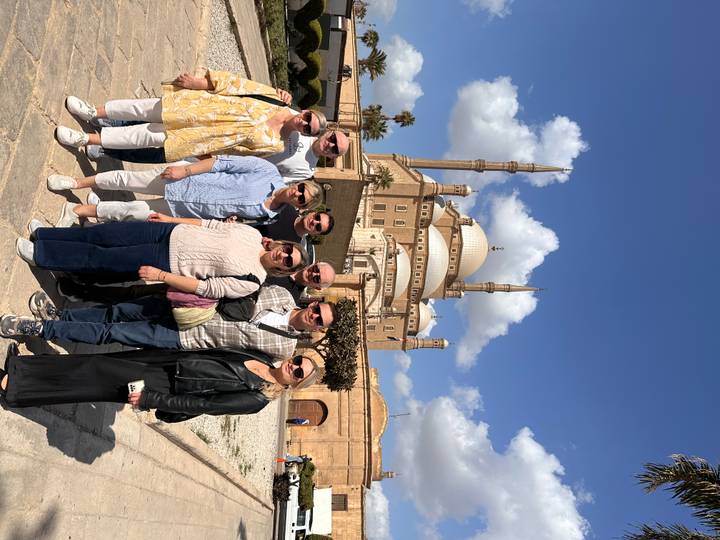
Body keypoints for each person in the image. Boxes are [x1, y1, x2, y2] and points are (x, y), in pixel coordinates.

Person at [0, 343, 319, 423]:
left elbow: (203, 406)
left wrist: (150, 399)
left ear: (295, 385)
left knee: (94, 374)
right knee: (94, 364)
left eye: (298, 373)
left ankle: (16, 389)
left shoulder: (257, 399)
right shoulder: (262, 360)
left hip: (165, 387)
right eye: (298, 361)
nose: (293, 367)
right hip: (167, 362)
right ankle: (23, 367)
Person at [55, 70, 327, 161]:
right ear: (305, 111)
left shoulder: (276, 145)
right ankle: (93, 111)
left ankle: (85, 138)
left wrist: (206, 156)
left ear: (305, 135)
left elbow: (238, 153)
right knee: (143, 108)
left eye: (308, 128)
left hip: (201, 137)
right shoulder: (275, 99)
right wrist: (199, 83)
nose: (303, 123)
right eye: (307, 118)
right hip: (199, 106)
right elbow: (237, 85)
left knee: (141, 136)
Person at [1, 288, 336, 361]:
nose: (315, 317)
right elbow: (241, 297)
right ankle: (62, 318)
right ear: (315, 304)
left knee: (113, 333)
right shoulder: (280, 293)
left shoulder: (285, 348)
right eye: (319, 311)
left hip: (187, 337)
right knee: (118, 312)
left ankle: (39, 329)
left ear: (316, 330)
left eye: (319, 322)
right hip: (189, 307)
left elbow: (238, 358)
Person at [15, 219, 310, 299]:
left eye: (287, 261)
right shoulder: (252, 235)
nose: (283, 256)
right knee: (103, 234)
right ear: (283, 244)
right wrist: (169, 219)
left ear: (284, 271)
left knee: (100, 258)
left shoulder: (252, 281)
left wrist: (162, 276)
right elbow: (209, 225)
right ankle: (46, 235)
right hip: (167, 231)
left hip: (165, 259)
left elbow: (206, 289)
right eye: (287, 250)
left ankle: (42, 255)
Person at [46, 156, 324, 225]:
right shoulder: (268, 172)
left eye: (303, 200)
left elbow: (230, 223)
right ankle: (76, 183)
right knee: (128, 180)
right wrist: (185, 170)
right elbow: (222, 163)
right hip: (185, 180)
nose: (298, 195)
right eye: (302, 189)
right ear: (299, 183)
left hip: (184, 209)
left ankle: (76, 210)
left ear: (301, 207)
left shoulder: (270, 217)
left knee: (130, 211)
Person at [82, 126, 350, 183]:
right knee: (162, 134)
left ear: (334, 156)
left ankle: (105, 150)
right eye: (333, 139)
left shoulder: (307, 171)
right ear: (330, 132)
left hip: (223, 164)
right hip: (224, 140)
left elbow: (274, 180)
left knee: (161, 156)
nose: (331, 145)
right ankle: (110, 132)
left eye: (336, 149)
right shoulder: (304, 125)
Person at [252, 206, 334, 244]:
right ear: (313, 213)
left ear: (316, 234)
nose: (314, 222)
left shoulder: (290, 246)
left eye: (318, 227)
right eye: (317, 217)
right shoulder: (286, 207)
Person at [265, 262, 336, 304]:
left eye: (317, 279)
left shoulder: (290, 299)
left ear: (317, 287)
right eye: (316, 269)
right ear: (315, 263)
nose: (313, 274)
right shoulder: (290, 257)